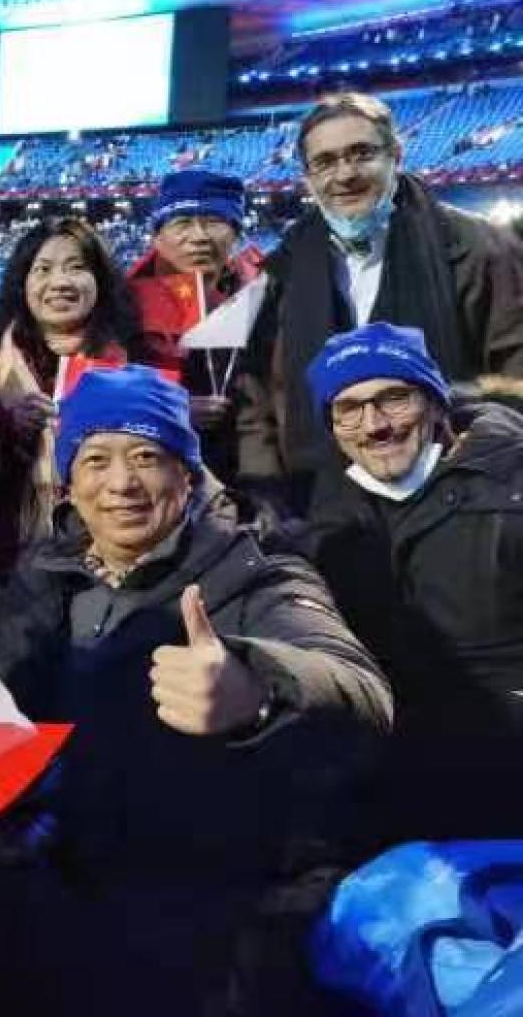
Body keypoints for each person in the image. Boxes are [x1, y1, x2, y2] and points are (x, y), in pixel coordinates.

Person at [0, 366, 392, 1016]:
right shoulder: (33, 583)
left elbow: (360, 692)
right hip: (66, 925)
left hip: (214, 943)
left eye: (147, 456)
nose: (122, 483)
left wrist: (258, 686)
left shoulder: (256, 574)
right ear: (69, 483)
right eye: (97, 459)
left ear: (187, 475)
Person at [237, 90, 523, 515]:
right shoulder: (283, 267)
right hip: (320, 505)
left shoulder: (479, 248)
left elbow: (514, 373)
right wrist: (267, 490)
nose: (345, 174)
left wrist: (451, 430)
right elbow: (257, 391)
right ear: (308, 177)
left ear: (396, 155)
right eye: (326, 161)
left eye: (361, 154)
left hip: (456, 493)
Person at [304, 323, 523, 847]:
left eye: (393, 399)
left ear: (435, 403)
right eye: (348, 408)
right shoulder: (332, 509)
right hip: (400, 788)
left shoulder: (513, 487)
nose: (373, 425)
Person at [0, 216, 141, 586]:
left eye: (76, 267)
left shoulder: (136, 357)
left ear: (100, 281)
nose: (60, 282)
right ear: (23, 284)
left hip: (112, 557)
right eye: (43, 269)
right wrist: (9, 426)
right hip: (5, 558)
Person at [126, 169, 264, 481]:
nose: (199, 236)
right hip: (152, 477)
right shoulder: (121, 308)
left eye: (214, 222)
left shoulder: (268, 297)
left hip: (253, 478)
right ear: (157, 239)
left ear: (237, 233)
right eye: (182, 223)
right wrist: (170, 411)